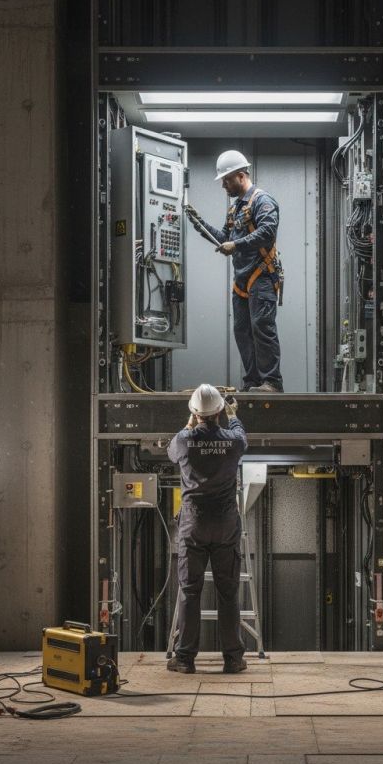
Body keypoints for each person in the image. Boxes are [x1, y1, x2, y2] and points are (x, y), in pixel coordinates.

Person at [167, 383, 248, 674]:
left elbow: (173, 451)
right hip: (226, 523)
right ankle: (234, 659)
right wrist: (233, 412)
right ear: (218, 412)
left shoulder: (184, 440)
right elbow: (240, 434)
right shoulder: (233, 441)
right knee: (228, 592)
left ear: (194, 412)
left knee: (190, 591)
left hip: (194, 524)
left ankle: (185, 659)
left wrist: (191, 422)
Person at [186, 150, 283, 393]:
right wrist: (199, 224)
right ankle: (253, 382)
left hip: (261, 277)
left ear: (240, 176)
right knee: (242, 331)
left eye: (226, 180)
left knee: (262, 328)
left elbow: (267, 232)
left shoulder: (263, 201)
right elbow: (224, 239)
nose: (223, 186)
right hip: (242, 282)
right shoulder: (235, 209)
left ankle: (271, 382)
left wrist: (236, 245)